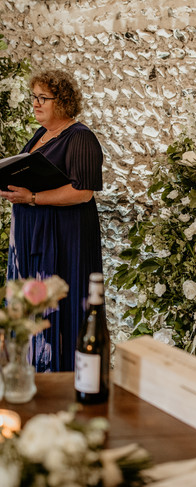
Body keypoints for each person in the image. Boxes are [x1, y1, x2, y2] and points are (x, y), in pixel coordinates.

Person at [0, 69, 103, 372]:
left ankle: (60, 374)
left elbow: (83, 192)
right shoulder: (41, 134)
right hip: (34, 233)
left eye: (42, 98)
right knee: (31, 304)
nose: (35, 103)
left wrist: (32, 198)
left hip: (63, 237)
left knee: (59, 306)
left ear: (64, 102)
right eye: (34, 97)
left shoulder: (81, 137)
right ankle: (30, 367)